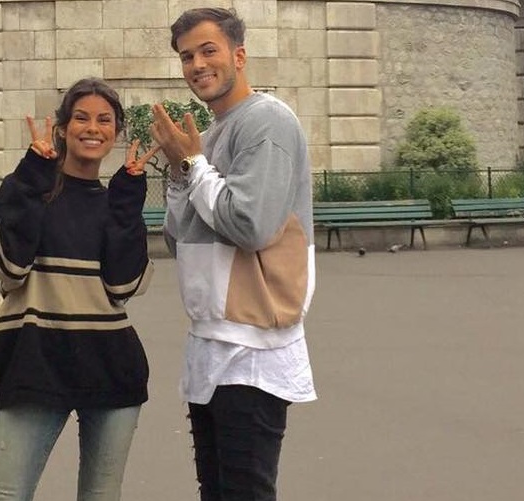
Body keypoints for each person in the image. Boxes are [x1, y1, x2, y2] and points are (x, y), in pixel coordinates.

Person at [150, 8, 317, 501]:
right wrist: (181, 172)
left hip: (253, 349)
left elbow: (250, 225)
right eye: (187, 57)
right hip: (211, 341)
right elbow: (179, 240)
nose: (197, 64)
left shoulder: (266, 121)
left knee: (244, 492)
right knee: (217, 491)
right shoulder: (211, 134)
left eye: (209, 51)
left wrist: (193, 166)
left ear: (239, 56)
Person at [0, 78, 159, 501]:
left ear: (116, 132)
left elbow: (122, 286)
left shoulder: (114, 202)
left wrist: (127, 201)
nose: (92, 128)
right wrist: (32, 178)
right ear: (62, 128)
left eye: (104, 120)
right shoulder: (25, 188)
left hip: (110, 366)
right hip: (34, 363)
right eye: (81, 118)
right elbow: (9, 269)